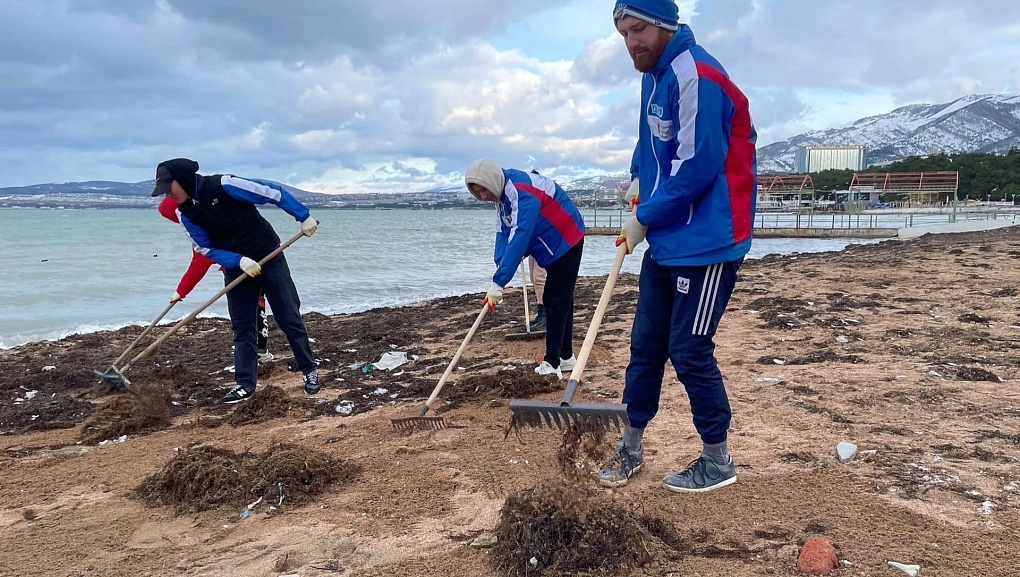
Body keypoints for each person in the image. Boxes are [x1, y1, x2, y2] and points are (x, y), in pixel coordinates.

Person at [600, 0, 757, 493]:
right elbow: (650, 141)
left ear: (666, 25)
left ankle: (718, 460)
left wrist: (643, 217)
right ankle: (630, 446)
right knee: (645, 347)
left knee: (689, 350)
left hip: (709, 240)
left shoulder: (697, 76)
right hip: (669, 239)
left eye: (640, 29)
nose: (632, 42)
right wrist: (636, 180)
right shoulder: (654, 73)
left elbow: (696, 167)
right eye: (624, 33)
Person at [152, 158, 321, 404]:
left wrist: (302, 216)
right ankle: (244, 385)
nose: (167, 194)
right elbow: (204, 249)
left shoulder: (224, 185)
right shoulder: (184, 212)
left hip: (269, 255)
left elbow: (271, 192)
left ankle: (310, 371)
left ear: (183, 180)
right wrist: (238, 261)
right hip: (238, 267)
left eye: (169, 187)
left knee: (288, 317)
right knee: (243, 327)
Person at [465, 159, 585, 379]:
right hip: (549, 242)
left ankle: (552, 363)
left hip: (566, 236)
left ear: (493, 181)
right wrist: (500, 267)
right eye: (477, 192)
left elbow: (521, 232)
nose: (483, 196)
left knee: (556, 298)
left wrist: (500, 281)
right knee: (560, 298)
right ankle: (566, 357)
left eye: (484, 190)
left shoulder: (522, 191)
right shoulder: (502, 195)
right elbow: (503, 231)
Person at [158, 197, 274, 362]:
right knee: (257, 303)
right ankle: (260, 350)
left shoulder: (202, 229)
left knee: (246, 310)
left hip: (245, 264)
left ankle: (257, 351)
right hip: (253, 257)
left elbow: (200, 263)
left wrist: (181, 291)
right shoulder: (211, 214)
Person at [527, 171, 549, 332]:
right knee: (533, 277)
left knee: (540, 277)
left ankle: (545, 314)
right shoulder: (528, 198)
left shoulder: (542, 198)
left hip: (544, 243)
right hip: (533, 244)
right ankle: (540, 311)